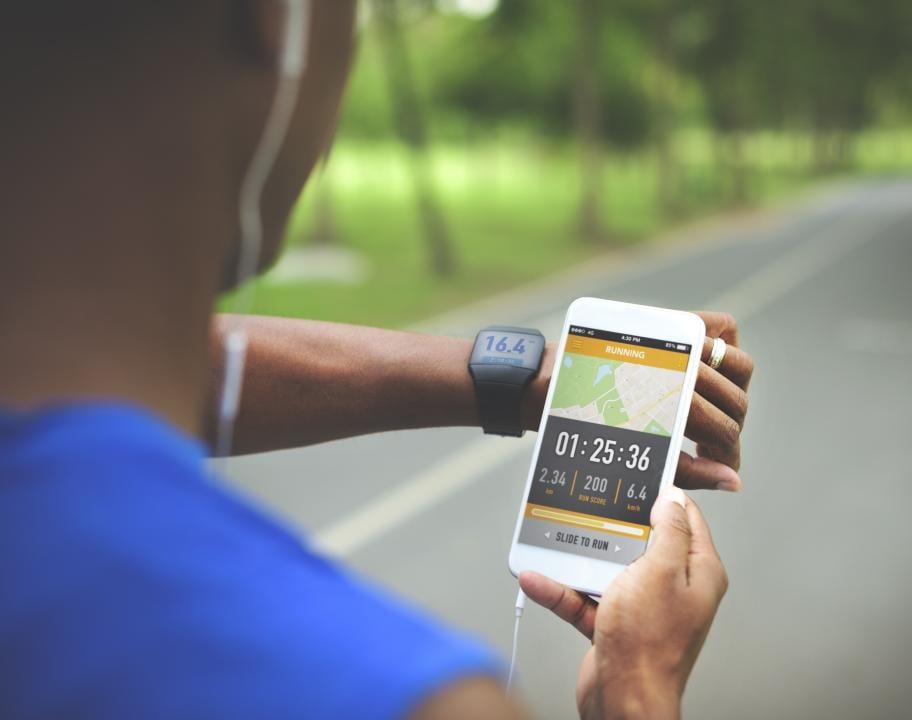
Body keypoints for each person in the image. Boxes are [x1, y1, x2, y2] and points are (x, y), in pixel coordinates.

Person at [0, 2, 753, 718]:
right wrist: (638, 690)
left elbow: (143, 365)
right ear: (273, 17)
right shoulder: (405, 700)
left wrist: (521, 382)